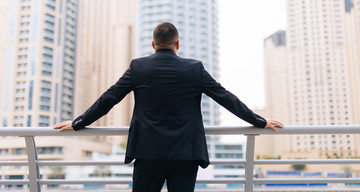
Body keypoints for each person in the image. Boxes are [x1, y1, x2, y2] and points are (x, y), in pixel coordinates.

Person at [54, 22, 284, 192]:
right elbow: (225, 98)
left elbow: (109, 98)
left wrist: (78, 123)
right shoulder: (194, 69)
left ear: (153, 44)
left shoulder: (138, 67)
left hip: (147, 153)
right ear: (178, 44)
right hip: (185, 154)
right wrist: (259, 121)